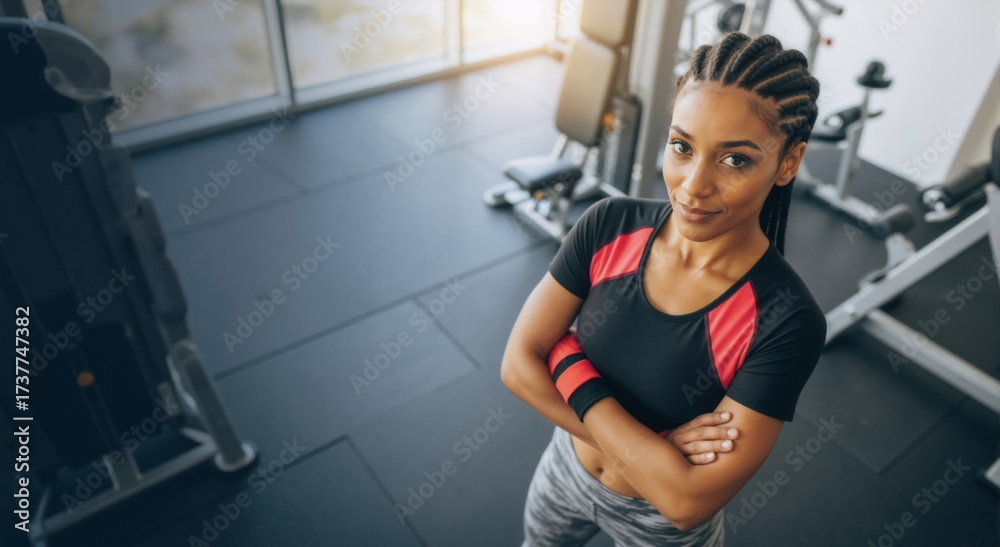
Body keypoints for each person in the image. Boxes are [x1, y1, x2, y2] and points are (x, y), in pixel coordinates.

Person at [500, 31, 828, 546]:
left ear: (788, 162)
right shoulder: (608, 223)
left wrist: (566, 363)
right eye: (682, 146)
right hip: (566, 468)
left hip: (655, 524)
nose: (694, 185)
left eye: (734, 159)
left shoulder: (785, 319)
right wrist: (657, 449)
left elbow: (683, 501)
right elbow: (517, 365)